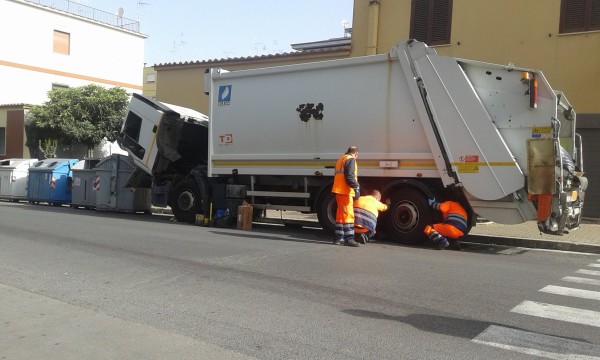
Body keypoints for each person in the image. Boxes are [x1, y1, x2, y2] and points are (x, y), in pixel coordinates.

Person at [332, 146, 360, 247]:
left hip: (338, 190)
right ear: (356, 153)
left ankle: (338, 238)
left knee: (340, 216)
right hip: (345, 191)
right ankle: (349, 239)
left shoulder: (341, 159)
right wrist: (356, 186)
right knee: (348, 215)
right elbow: (350, 176)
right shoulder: (351, 160)